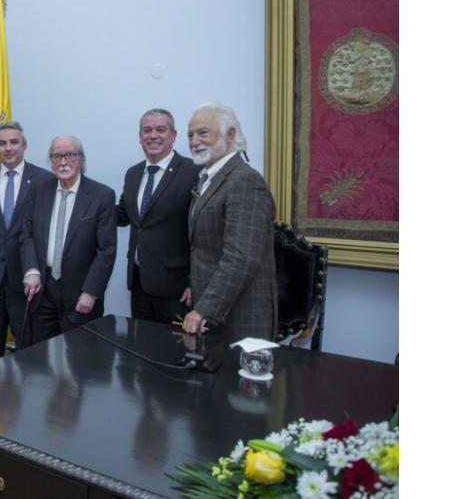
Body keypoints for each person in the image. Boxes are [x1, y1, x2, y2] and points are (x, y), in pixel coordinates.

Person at [183, 103, 277, 340]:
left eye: (203, 133)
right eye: (190, 135)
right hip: (214, 310)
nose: (194, 141)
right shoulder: (208, 179)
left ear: (230, 134)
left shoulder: (245, 181)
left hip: (240, 314)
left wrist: (205, 308)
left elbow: (241, 258)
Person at [20, 136, 117, 342]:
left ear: (81, 159)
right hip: (43, 291)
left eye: (70, 155)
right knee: (40, 360)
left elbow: (106, 251)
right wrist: (31, 270)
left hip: (80, 294)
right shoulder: (38, 189)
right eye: (56, 156)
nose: (63, 162)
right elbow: (26, 234)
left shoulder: (102, 195)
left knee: (79, 360)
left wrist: (91, 292)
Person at [0, 121, 52, 359]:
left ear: (24, 144)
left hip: (26, 278)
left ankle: (23, 396)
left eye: (14, 142)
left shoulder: (44, 180)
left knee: (28, 347)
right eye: (2, 143)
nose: (8, 148)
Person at [114, 109, 199, 324]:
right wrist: (87, 196)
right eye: (147, 130)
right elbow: (123, 216)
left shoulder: (193, 171)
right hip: (139, 283)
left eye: (161, 130)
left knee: (174, 352)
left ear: (173, 135)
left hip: (177, 288)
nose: (153, 135)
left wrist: (194, 281)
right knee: (142, 348)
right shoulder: (133, 173)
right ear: (140, 136)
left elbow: (202, 233)